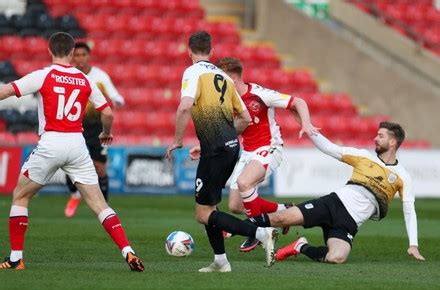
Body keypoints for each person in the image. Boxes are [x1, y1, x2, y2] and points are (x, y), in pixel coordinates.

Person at [0, 32, 144, 271]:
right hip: (77, 145)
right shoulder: (84, 79)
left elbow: (6, 91)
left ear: (50, 51)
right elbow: (107, 112)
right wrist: (105, 133)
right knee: (99, 204)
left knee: (21, 196)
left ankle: (16, 259)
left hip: (51, 142)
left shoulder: (44, 75)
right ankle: (128, 252)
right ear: (70, 54)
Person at [165, 31, 279, 272]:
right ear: (212, 52)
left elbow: (185, 106)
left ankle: (260, 232)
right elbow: (246, 118)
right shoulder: (224, 77)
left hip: (216, 150)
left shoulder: (193, 72)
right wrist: (224, 136)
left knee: (202, 213)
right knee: (211, 208)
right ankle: (220, 261)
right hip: (229, 148)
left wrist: (177, 141)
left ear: (189, 51)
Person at [250, 122, 425, 264]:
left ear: (393, 142)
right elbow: (330, 148)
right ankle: (230, 228)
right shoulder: (364, 156)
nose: (375, 139)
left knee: (337, 257)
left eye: (380, 136)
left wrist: (413, 245)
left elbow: (409, 211)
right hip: (333, 204)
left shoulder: (403, 176)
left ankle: (300, 246)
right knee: (280, 218)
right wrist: (309, 128)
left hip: (349, 223)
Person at [213, 57, 319, 252]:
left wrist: (306, 123)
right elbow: (232, 130)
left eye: (220, 78)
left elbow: (298, 101)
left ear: (232, 79)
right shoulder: (227, 100)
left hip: (269, 147)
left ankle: (256, 232)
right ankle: (285, 210)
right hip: (248, 152)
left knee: (245, 183)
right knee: (236, 205)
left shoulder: (260, 94)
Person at [64, 42, 125, 218]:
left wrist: (118, 100)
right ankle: (75, 195)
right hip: (75, 126)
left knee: (99, 167)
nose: (80, 58)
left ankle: (104, 207)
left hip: (97, 128)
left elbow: (114, 95)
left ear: (89, 56)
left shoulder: (100, 76)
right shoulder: (69, 75)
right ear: (72, 57)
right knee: (69, 164)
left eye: (83, 55)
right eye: (77, 55)